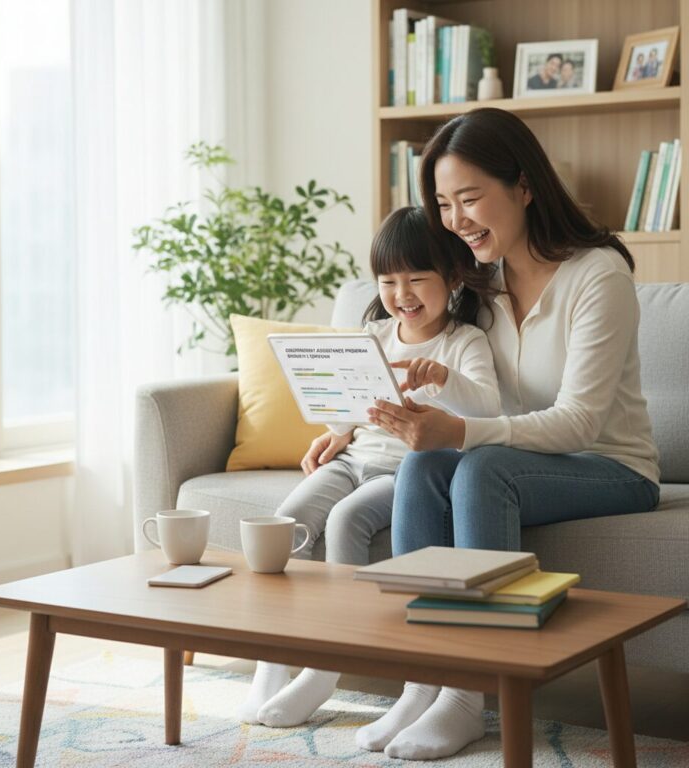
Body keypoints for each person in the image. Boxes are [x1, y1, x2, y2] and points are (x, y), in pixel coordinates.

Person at [362, 107, 660, 761]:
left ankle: (471, 696)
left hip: (610, 465)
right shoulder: (480, 283)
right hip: (519, 459)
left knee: (478, 466)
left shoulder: (598, 276)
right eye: (444, 203)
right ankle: (425, 676)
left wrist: (461, 429)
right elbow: (464, 382)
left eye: (470, 198)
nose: (456, 219)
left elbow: (580, 420)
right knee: (424, 466)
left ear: (523, 186)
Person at [239, 206, 501, 729]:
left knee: (344, 520)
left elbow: (488, 408)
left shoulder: (463, 342)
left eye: (416, 279)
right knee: (284, 523)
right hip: (356, 458)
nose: (401, 293)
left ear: (451, 278)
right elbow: (353, 406)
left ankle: (331, 662)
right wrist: (335, 432)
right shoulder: (375, 334)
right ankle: (272, 661)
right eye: (388, 281)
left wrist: (445, 379)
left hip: (404, 474)